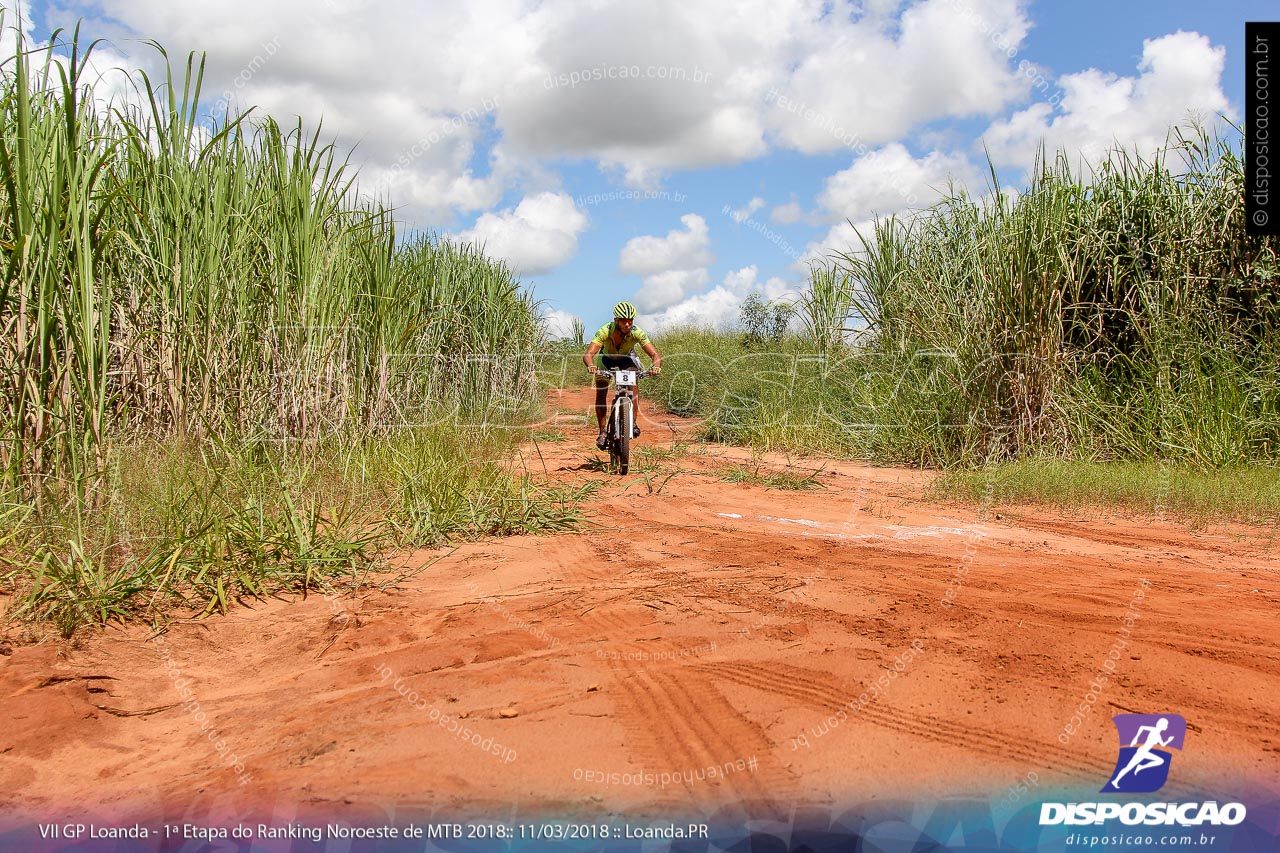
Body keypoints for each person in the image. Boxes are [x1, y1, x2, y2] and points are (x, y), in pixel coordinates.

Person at [582, 301, 662, 450]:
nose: (627, 324)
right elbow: (588, 354)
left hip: (627, 358)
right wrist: (591, 366)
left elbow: (655, 354)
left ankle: (632, 423)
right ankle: (602, 432)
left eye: (630, 321)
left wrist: (656, 366)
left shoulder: (637, 332)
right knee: (601, 393)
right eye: (623, 321)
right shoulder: (605, 331)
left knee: (634, 383)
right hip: (606, 359)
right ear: (616, 321)